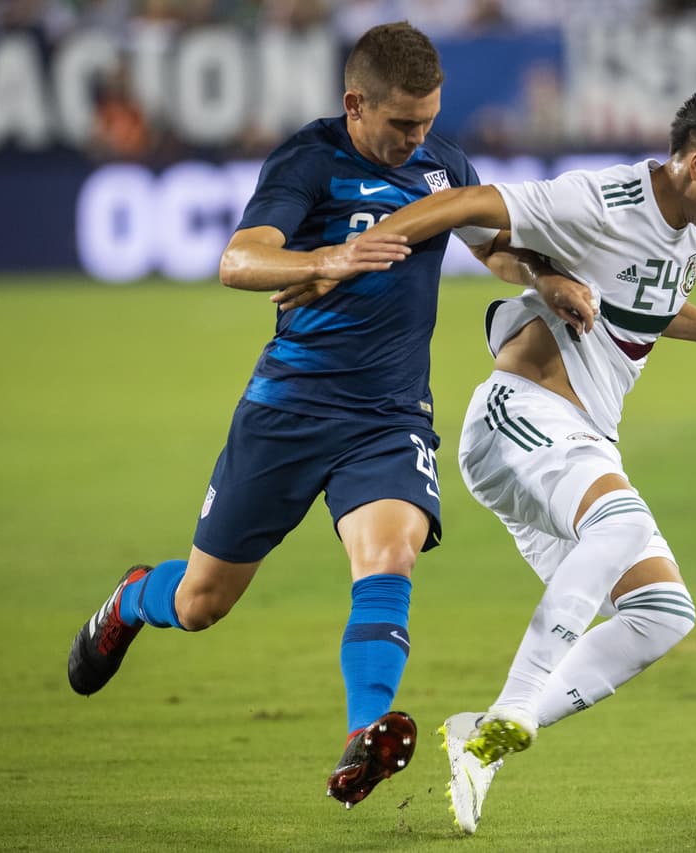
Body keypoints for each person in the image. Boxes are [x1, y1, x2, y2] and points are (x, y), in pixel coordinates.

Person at [278, 80, 696, 833]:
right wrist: (351, 253)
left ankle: (484, 739)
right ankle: (519, 706)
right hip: (518, 416)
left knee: (661, 612)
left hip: (575, 439)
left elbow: (648, 304)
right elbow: (469, 204)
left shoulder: (689, 227)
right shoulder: (602, 199)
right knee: (619, 526)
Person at [66, 22, 555, 810]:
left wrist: (541, 276)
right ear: (354, 103)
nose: (417, 137)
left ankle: (365, 735)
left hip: (389, 414)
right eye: (401, 123)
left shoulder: (441, 164)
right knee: (201, 602)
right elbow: (239, 258)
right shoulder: (310, 160)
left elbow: (486, 242)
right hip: (288, 409)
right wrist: (323, 259)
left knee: (390, 553)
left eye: (428, 120)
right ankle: (130, 598)